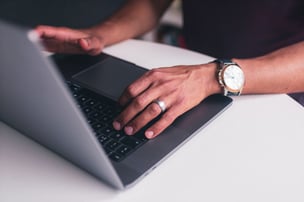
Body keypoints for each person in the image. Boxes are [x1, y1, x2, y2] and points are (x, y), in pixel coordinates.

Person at [35, 0, 304, 139]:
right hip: (191, 85)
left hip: (278, 101)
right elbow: (152, 3)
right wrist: (99, 35)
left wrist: (212, 76)